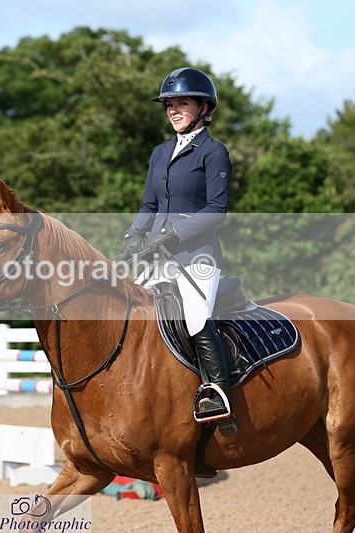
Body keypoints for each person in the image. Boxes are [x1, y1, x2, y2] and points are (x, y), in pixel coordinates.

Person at [122, 67, 236, 437]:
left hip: (196, 257)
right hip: (157, 255)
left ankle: (217, 392)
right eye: (169, 105)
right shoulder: (160, 152)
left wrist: (174, 234)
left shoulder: (213, 152)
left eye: (181, 104)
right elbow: (149, 203)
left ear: (203, 108)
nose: (173, 110)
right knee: (124, 304)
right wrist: (134, 234)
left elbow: (216, 210)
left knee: (195, 316)